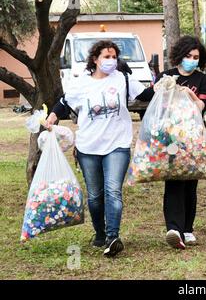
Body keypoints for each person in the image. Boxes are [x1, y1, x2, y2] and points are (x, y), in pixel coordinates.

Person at [45, 40, 154, 257]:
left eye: (114, 57)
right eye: (106, 56)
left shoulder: (123, 78)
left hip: (118, 144)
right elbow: (64, 102)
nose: (111, 61)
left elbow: (145, 95)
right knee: (95, 196)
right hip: (88, 146)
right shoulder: (82, 83)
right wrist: (52, 117)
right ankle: (100, 233)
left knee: (113, 191)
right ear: (95, 59)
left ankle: (113, 237)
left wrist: (166, 90)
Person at [154, 36, 206, 250]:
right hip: (170, 138)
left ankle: (188, 229)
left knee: (190, 183)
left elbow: (201, 108)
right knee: (173, 182)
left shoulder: (203, 81)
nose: (192, 60)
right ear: (179, 55)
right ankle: (174, 229)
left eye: (196, 57)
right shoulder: (166, 77)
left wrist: (189, 94)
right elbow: (156, 104)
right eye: (188, 56)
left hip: (194, 138)